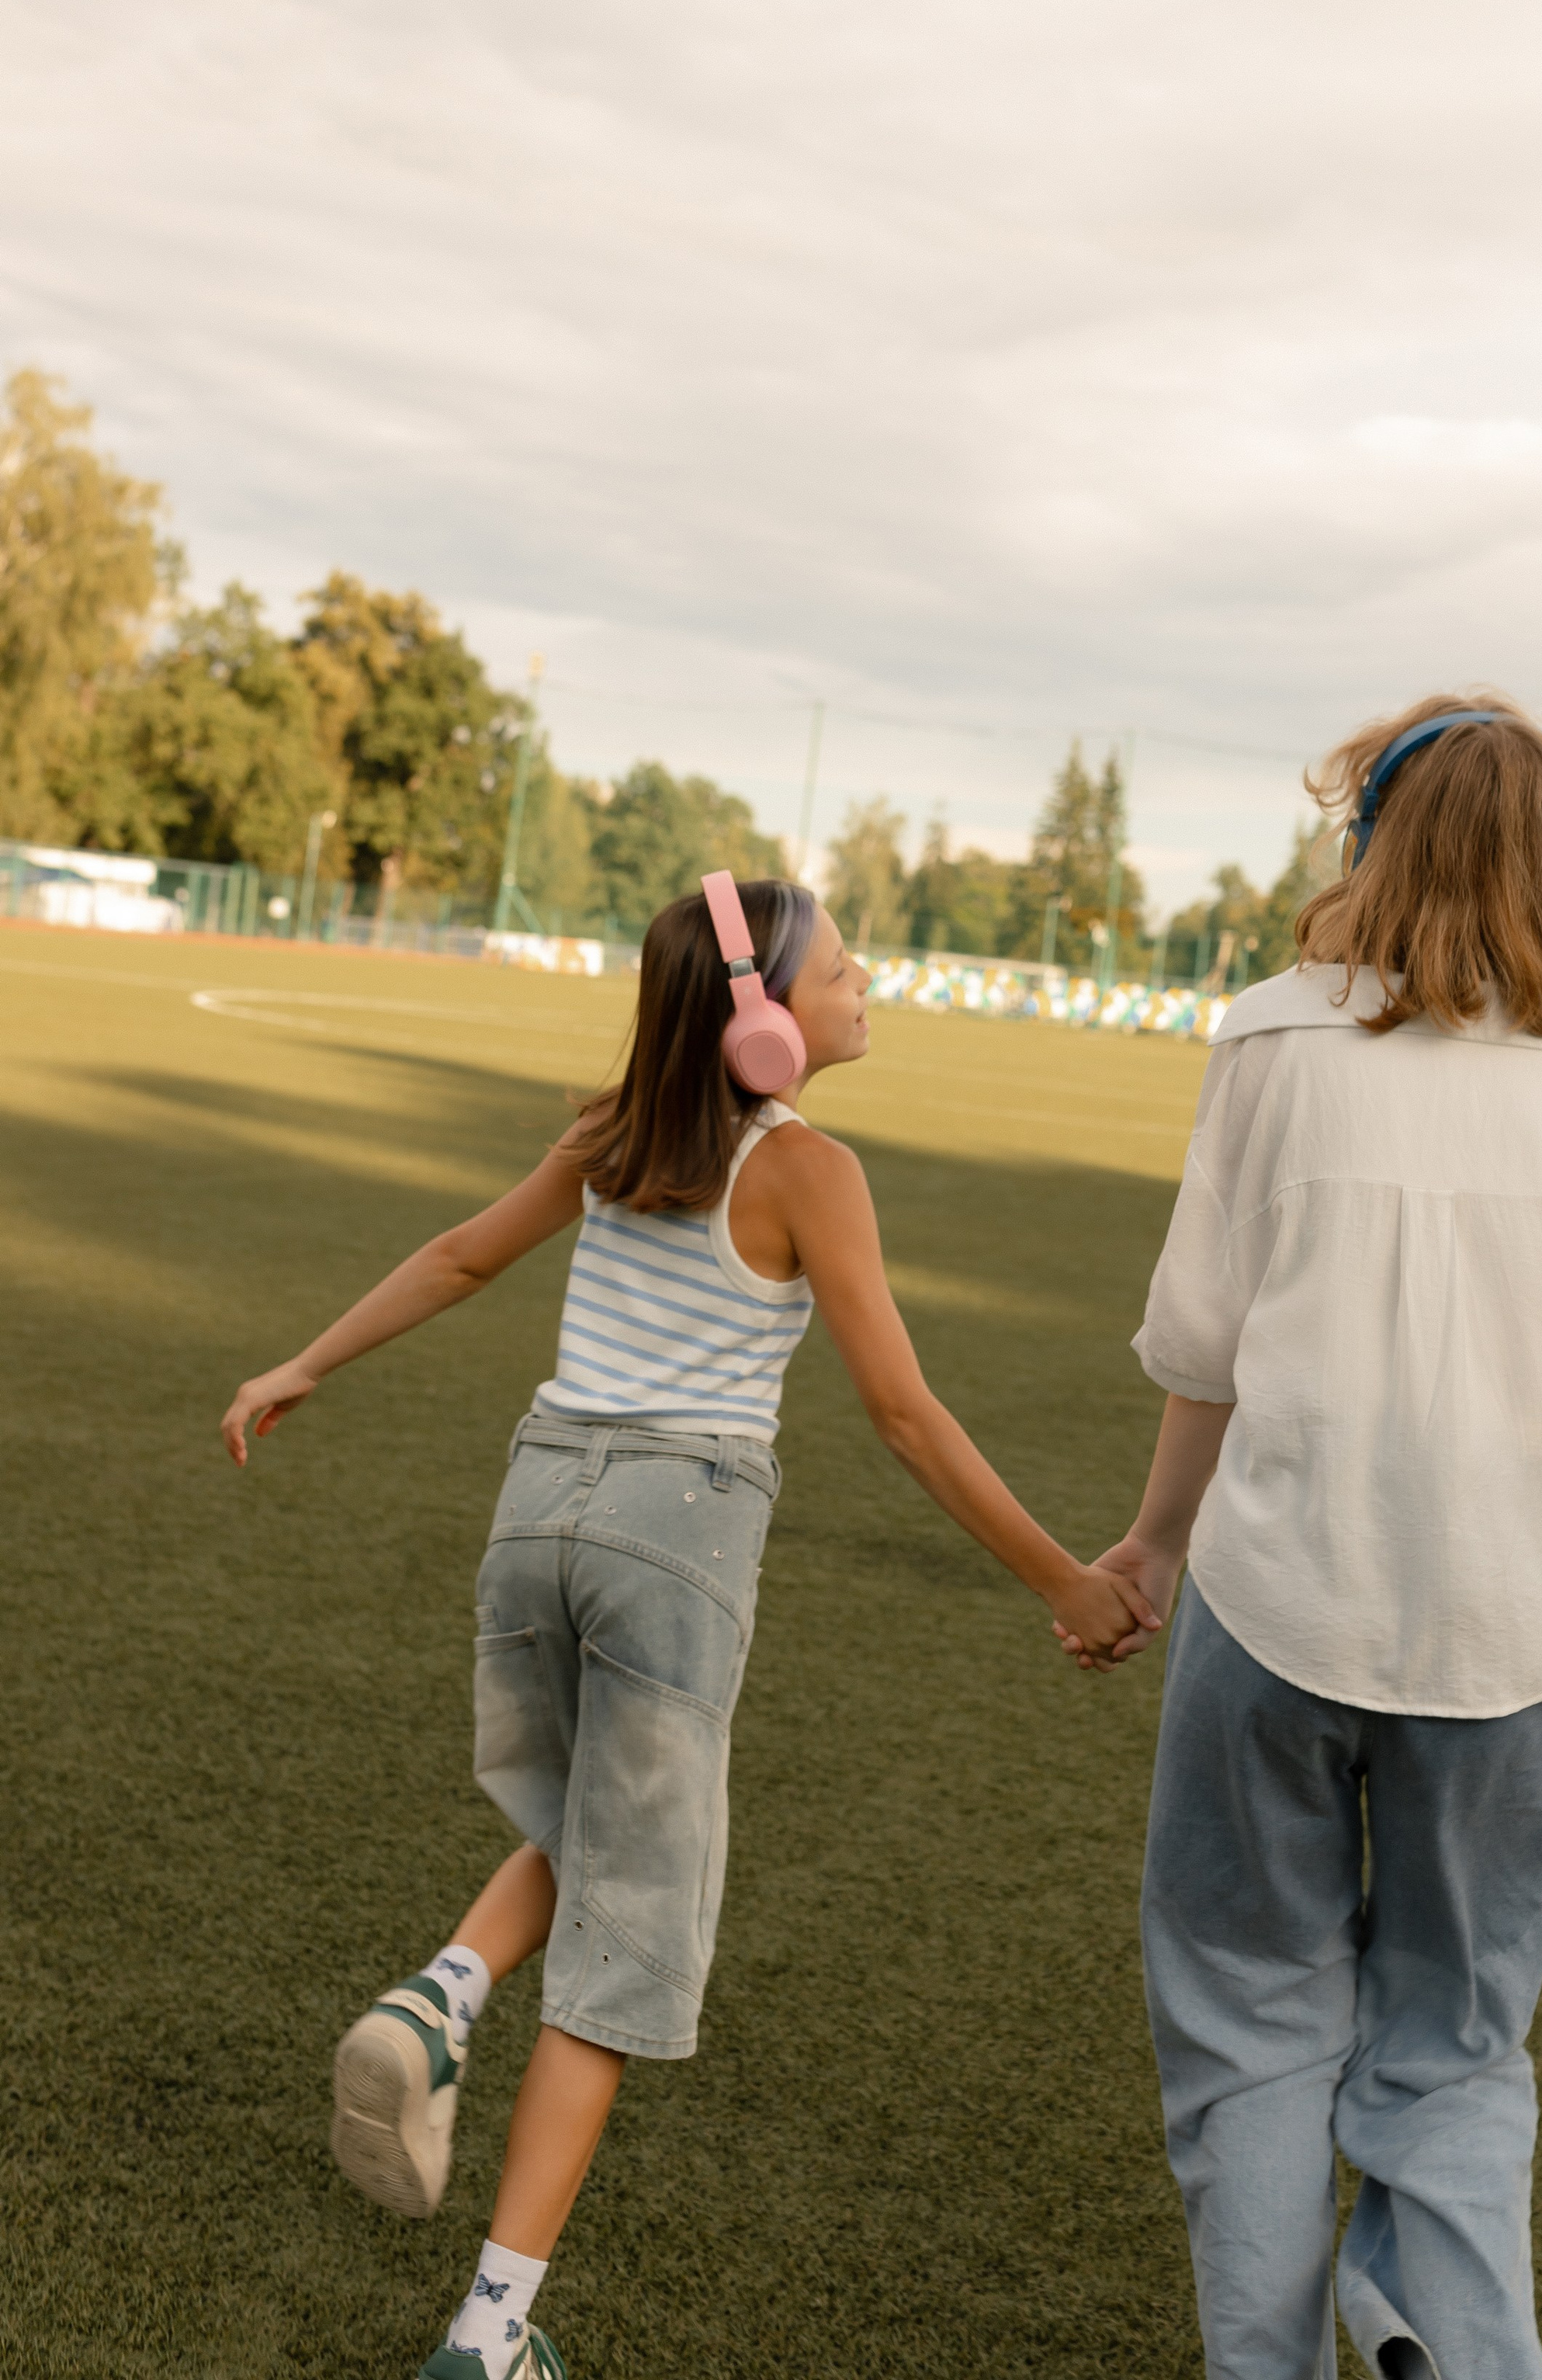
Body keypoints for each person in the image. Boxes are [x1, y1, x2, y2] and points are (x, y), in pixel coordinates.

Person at [221, 876, 1152, 2380]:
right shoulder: (810, 1174)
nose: (867, 987)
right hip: (674, 1537)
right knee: (624, 1953)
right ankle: (488, 2340)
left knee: (587, 1822)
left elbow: (462, 1254)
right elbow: (904, 1417)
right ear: (764, 1027)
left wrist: (303, 1363)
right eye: (843, 972)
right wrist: (1061, 1579)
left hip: (537, 1503)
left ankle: (442, 1992)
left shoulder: (609, 1134)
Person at [1062, 696, 1542, 2380]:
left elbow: (1203, 1354)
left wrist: (1146, 1545)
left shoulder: (1271, 1048)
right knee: (1453, 2049)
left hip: (1273, 1612)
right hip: (1519, 1648)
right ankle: (1446, 2344)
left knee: (1249, 2012)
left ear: (1369, 844)